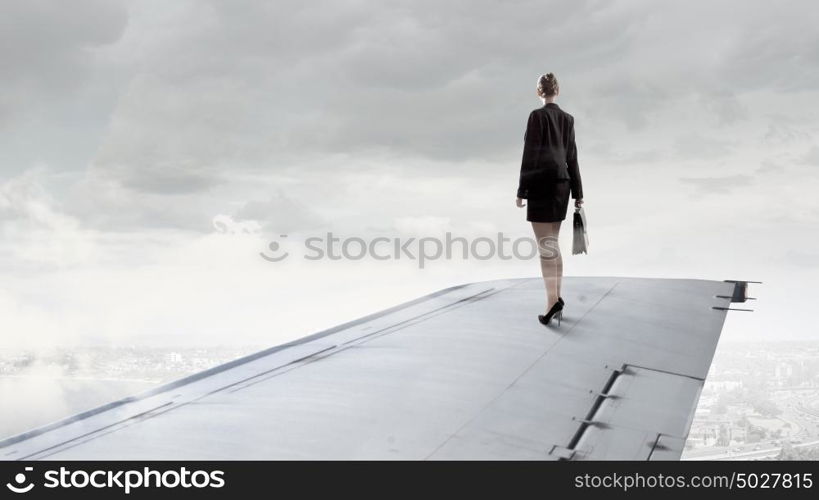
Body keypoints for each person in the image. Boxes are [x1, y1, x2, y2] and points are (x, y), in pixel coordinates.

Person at [515, 73, 584, 326]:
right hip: (563, 187)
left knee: (546, 248)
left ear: (538, 92)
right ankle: (556, 298)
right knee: (552, 244)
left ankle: (551, 302)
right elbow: (572, 157)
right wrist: (578, 193)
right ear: (558, 91)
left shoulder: (537, 116)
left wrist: (522, 190)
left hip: (542, 186)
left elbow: (530, 155)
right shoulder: (568, 119)